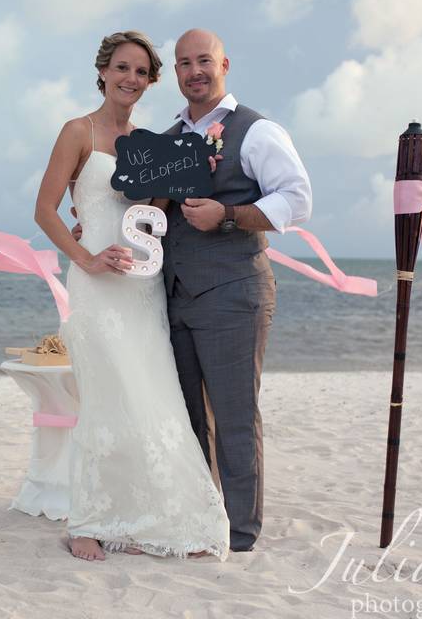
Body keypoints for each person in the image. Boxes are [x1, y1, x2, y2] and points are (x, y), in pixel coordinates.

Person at [34, 31, 230, 562]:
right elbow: (46, 211)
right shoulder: (77, 132)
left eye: (142, 72)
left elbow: (156, 216)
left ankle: (163, 511)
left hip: (142, 290)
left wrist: (200, 178)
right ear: (103, 72)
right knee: (104, 399)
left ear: (150, 81)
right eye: (122, 68)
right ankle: (89, 522)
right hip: (96, 286)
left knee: (151, 394)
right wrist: (87, 256)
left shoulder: (153, 145)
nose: (131, 79)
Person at [162, 29, 312, 552]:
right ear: (175, 73)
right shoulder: (168, 137)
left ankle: (242, 533)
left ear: (224, 63)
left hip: (234, 292)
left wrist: (227, 214)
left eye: (204, 60)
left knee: (234, 416)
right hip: (175, 295)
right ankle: (205, 520)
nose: (195, 71)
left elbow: (296, 200)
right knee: (188, 419)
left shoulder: (256, 130)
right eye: (184, 63)